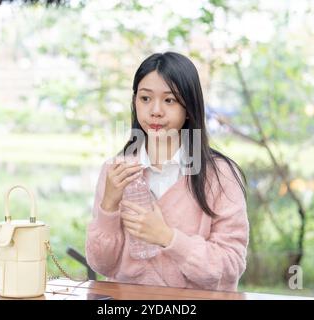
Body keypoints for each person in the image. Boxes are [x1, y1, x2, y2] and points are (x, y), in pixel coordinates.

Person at [85, 52, 249, 292]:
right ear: (134, 102)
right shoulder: (115, 171)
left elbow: (230, 265)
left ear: (189, 108)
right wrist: (108, 205)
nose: (155, 111)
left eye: (169, 100)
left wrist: (167, 237)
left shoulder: (221, 175)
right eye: (145, 98)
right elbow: (102, 264)